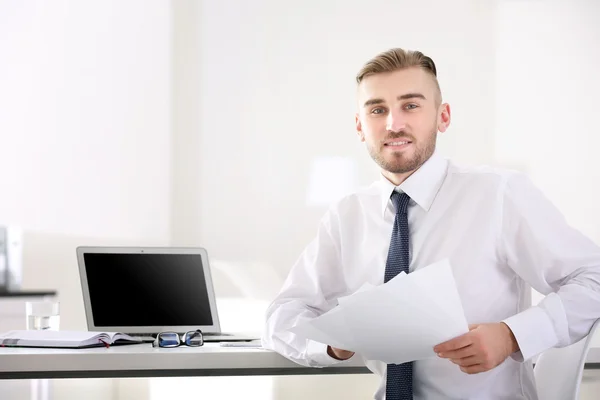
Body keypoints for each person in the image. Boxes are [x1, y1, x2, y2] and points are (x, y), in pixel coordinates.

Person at [261, 48, 600, 400]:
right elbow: (282, 316)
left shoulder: (499, 195)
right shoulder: (347, 217)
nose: (393, 124)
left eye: (411, 105)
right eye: (377, 109)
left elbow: (594, 278)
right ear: (360, 126)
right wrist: (332, 343)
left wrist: (512, 335)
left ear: (443, 117)